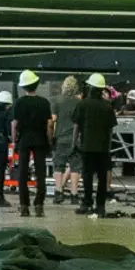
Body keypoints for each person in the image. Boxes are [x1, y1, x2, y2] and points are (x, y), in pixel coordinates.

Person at [74, 72, 117, 214]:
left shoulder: (83, 104)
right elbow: (110, 129)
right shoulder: (107, 106)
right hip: (103, 147)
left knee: (87, 176)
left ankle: (87, 203)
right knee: (102, 177)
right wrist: (108, 146)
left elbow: (76, 126)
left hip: (87, 146)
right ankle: (100, 205)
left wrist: (74, 143)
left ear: (91, 88)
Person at [11, 71, 52, 216]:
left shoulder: (19, 102)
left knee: (22, 172)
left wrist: (14, 140)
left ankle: (24, 206)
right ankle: (39, 205)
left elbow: (14, 124)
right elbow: (49, 124)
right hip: (40, 140)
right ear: (36, 84)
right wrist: (49, 140)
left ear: (23, 87)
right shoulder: (44, 102)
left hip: (24, 140)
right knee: (41, 173)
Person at [51, 75, 82, 204]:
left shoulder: (57, 101)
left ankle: (59, 192)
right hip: (75, 139)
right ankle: (74, 194)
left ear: (63, 86)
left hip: (60, 138)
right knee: (75, 167)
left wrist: (51, 137)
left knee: (59, 166)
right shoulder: (79, 102)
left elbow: (53, 120)